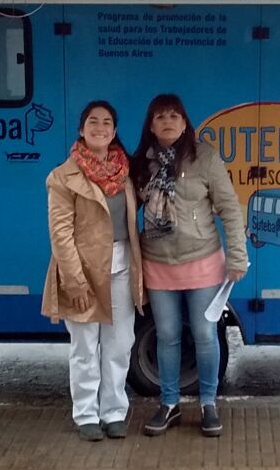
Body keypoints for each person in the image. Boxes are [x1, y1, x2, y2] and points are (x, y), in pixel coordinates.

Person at [131, 94, 247, 438]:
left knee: (204, 334)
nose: (167, 122)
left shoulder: (205, 158)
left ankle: (208, 403)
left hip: (203, 262)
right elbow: (126, 209)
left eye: (174, 116)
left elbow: (229, 208)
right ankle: (169, 404)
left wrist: (237, 256)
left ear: (184, 123)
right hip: (158, 264)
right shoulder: (141, 164)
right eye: (160, 117)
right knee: (167, 335)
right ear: (151, 126)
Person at [41, 100, 145, 441]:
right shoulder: (63, 177)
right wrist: (74, 281)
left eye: (106, 122)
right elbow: (60, 234)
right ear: (81, 129)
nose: (100, 128)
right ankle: (86, 414)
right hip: (82, 271)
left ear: (114, 131)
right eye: (93, 122)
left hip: (122, 267)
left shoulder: (125, 171)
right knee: (85, 347)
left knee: (120, 344)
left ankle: (113, 412)